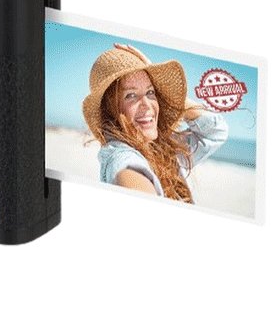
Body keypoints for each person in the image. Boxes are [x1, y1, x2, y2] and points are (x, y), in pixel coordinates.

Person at [82, 43, 228, 202]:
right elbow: (130, 175)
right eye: (131, 95)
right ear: (111, 108)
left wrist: (167, 91)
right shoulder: (120, 156)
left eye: (150, 92)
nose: (146, 104)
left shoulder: (166, 148)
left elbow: (216, 131)